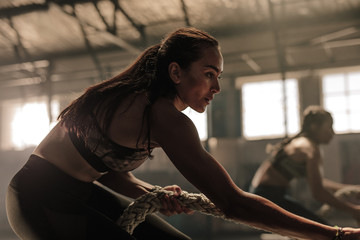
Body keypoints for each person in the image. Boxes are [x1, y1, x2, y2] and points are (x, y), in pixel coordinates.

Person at [5, 27, 360, 240]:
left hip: (82, 191)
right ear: (176, 72)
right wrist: (335, 234)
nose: (217, 86)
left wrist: (149, 191)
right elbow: (232, 202)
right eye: (209, 73)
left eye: (218, 75)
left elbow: (102, 163)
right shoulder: (162, 116)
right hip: (38, 195)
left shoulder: (150, 107)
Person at [249, 105, 360, 226]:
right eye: (329, 127)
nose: (332, 133)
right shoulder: (310, 149)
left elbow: (318, 182)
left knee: (316, 229)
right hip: (267, 197)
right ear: (314, 127)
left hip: (264, 194)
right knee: (324, 231)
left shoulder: (302, 143)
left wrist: (350, 189)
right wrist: (353, 210)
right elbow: (318, 192)